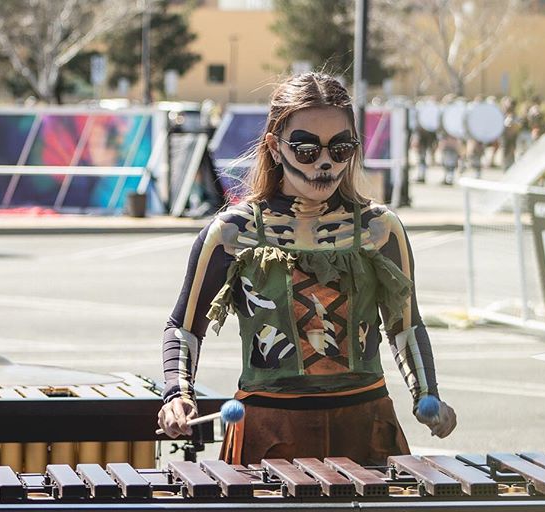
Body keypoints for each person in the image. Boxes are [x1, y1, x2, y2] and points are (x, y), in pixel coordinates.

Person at [157, 73, 457, 466]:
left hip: (365, 427)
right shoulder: (232, 232)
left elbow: (405, 325)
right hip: (268, 434)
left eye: (341, 147)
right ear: (275, 148)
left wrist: (425, 393)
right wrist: (178, 394)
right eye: (306, 149)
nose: (326, 163)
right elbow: (184, 326)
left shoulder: (380, 228)